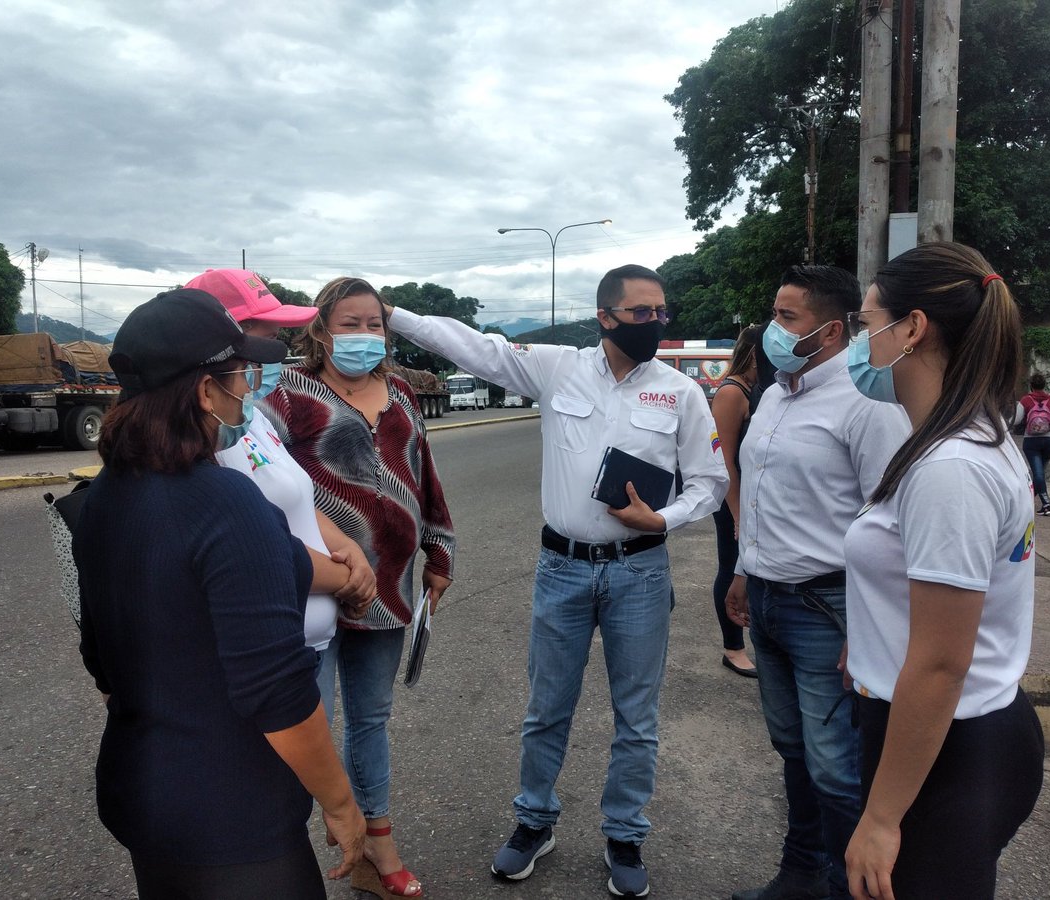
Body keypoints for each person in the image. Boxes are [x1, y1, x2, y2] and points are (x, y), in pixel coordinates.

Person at [386, 264, 727, 898]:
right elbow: (475, 346)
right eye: (640, 313)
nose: (655, 323)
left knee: (637, 716)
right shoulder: (557, 368)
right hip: (562, 568)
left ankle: (625, 833)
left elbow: (710, 482)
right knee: (547, 709)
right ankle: (533, 822)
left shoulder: (681, 394)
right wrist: (391, 314)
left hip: (640, 572)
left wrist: (663, 516)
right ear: (605, 317)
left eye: (661, 312)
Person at [73, 289, 365, 899]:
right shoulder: (227, 504)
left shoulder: (100, 498)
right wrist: (340, 802)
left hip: (142, 792)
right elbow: (276, 689)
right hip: (232, 812)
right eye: (239, 373)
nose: (247, 386)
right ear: (206, 391)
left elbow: (100, 659)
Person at [842, 243, 1045, 900]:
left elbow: (941, 664)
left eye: (867, 322)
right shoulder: (962, 436)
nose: (859, 342)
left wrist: (880, 817)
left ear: (913, 328)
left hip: (948, 747)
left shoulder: (950, 469)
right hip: (954, 736)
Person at [263, 276, 456, 899]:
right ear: (320, 328)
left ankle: (378, 847)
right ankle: (278, 862)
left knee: (370, 722)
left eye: (375, 324)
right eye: (350, 324)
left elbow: (421, 473)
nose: (365, 335)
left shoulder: (399, 390)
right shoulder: (286, 393)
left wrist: (437, 550)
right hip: (315, 586)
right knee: (303, 724)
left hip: (390, 590)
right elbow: (255, 474)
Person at [725, 266, 911, 900]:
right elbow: (770, 499)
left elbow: (889, 523)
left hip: (828, 608)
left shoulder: (868, 406)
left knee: (836, 765)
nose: (770, 329)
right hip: (772, 601)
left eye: (787, 317)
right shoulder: (777, 393)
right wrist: (746, 573)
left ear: (830, 330)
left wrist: (866, 625)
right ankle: (800, 875)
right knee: (794, 748)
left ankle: (843, 886)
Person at [186, 268, 378, 645]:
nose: (276, 355)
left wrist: (347, 548)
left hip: (308, 642)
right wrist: (349, 580)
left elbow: (297, 497)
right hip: (266, 651)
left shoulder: (251, 416)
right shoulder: (202, 436)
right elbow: (252, 550)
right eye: (265, 343)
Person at [711, 325, 763, 678]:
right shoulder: (733, 392)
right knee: (732, 568)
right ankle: (733, 648)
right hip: (733, 498)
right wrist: (738, 514)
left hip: (753, 499)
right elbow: (723, 460)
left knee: (753, 572)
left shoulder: (760, 390)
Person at [1014, 371, 1050, 516]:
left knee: (1037, 474)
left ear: (1031, 386)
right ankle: (1028, 502)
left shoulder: (1025, 400)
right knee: (1040, 474)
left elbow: (1016, 420)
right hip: (1049, 441)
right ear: (1044, 385)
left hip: (1031, 441)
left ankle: (1046, 504)